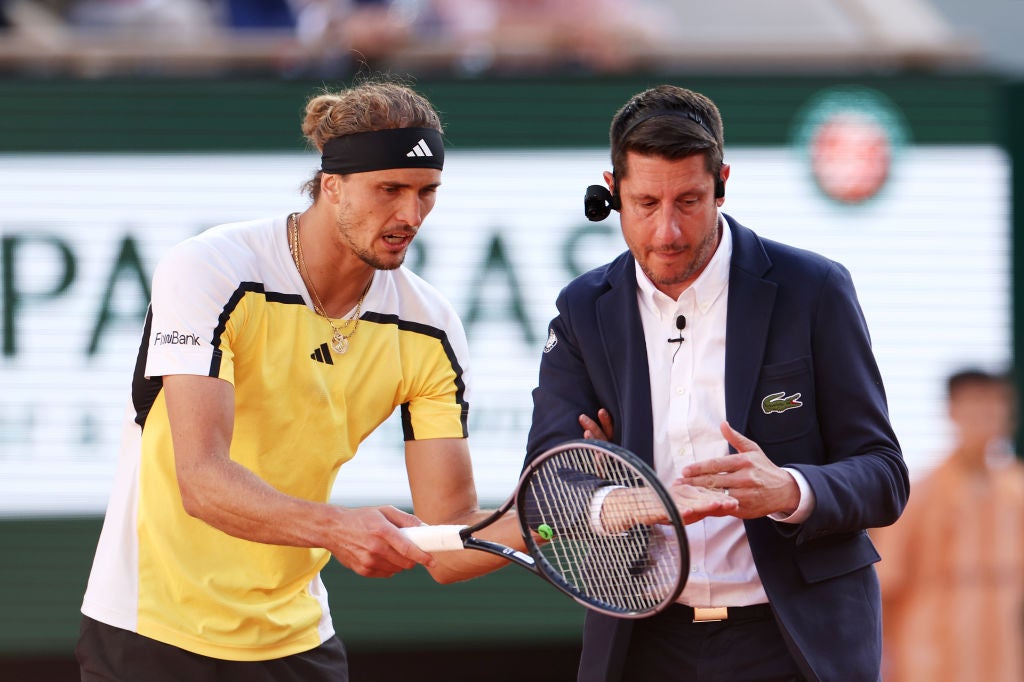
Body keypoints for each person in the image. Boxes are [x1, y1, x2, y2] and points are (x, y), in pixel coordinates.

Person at [74, 79, 524, 682]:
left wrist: (568, 519)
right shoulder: (210, 269)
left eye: (426, 192)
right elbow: (201, 482)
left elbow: (447, 542)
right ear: (331, 185)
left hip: (295, 643)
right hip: (146, 630)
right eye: (389, 189)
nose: (410, 215)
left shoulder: (431, 327)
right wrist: (338, 528)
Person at [526, 84, 909, 681]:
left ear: (722, 183)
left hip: (794, 639)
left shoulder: (815, 289)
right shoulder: (583, 308)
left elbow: (884, 475)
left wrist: (789, 490)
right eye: (646, 203)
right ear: (612, 190)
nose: (667, 232)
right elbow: (547, 480)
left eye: (690, 201)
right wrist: (632, 501)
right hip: (642, 640)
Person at [872, 368, 1024, 682]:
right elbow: (885, 584)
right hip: (933, 655)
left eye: (996, 402)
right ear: (952, 410)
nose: (987, 412)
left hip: (1005, 653)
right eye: (976, 401)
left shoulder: (1017, 490)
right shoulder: (919, 494)